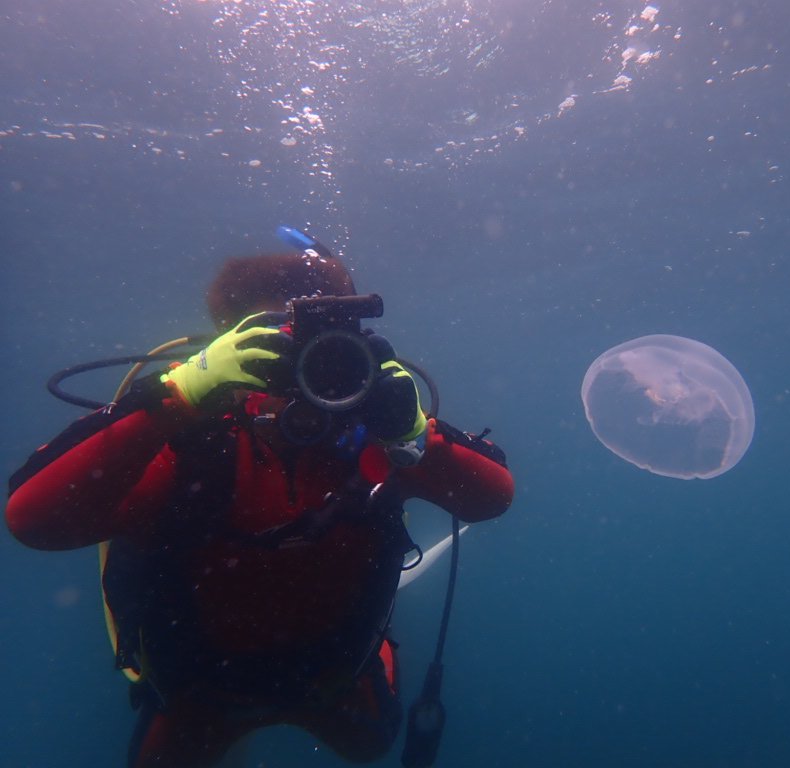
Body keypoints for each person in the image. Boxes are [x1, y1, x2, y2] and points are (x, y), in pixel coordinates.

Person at [6, 235, 514, 768]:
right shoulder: (185, 442)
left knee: (371, 747)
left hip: (331, 679)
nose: (295, 378)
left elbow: (491, 498)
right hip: (201, 695)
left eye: (320, 355)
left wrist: (414, 434)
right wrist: (176, 396)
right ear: (227, 348)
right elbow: (33, 521)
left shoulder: (381, 437)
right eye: (273, 351)